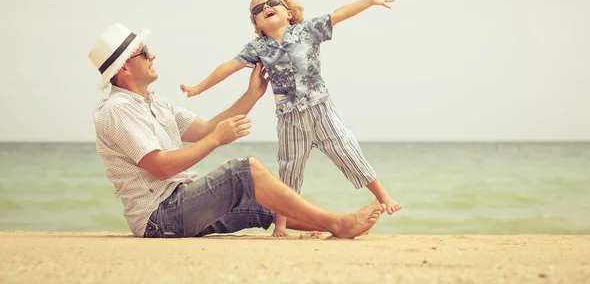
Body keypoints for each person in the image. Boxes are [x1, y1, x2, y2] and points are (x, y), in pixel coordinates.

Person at [88, 23, 385, 239]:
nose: (152, 56)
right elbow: (161, 167)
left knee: (262, 202)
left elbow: (203, 128)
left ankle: (337, 223)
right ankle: (341, 225)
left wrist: (252, 95)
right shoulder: (118, 110)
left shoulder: (155, 102)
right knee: (245, 171)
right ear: (124, 69)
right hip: (159, 217)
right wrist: (218, 140)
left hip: (179, 204)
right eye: (144, 52)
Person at [180, 0, 402, 237]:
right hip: (289, 118)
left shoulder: (307, 31)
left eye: (272, 3)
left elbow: (338, 14)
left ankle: (383, 197)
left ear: (289, 12)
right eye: (258, 9)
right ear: (257, 23)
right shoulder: (258, 47)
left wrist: (370, 0)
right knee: (289, 170)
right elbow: (228, 66)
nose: (266, 8)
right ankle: (281, 227)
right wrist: (198, 87)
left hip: (321, 110)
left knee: (347, 149)